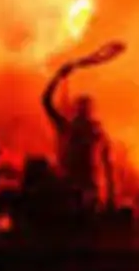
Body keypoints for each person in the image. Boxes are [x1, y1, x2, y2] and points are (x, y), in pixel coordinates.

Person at [40, 59, 109, 207]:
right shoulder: (68, 126)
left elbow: (107, 163)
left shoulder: (96, 131)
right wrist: (57, 77)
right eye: (81, 107)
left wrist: (109, 195)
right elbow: (46, 101)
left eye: (87, 107)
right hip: (69, 187)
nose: (85, 111)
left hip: (91, 189)